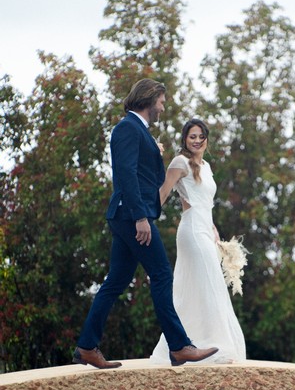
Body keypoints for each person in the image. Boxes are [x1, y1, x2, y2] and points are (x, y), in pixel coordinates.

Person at [73, 80, 218, 369]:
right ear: (149, 100)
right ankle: (179, 347)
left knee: (116, 281)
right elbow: (125, 175)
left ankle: (87, 346)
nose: (163, 107)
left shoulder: (138, 130)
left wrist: (153, 148)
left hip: (128, 215)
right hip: (131, 216)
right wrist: (141, 217)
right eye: (161, 101)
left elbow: (140, 170)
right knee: (162, 275)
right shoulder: (127, 128)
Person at [150, 118, 246, 365]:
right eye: (191, 136)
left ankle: (193, 343)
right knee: (211, 281)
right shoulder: (179, 162)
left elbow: (206, 203)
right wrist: (144, 219)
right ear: (185, 139)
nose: (196, 141)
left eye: (200, 136)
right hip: (191, 231)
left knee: (197, 288)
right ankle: (216, 346)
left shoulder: (207, 166)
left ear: (206, 140)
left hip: (205, 229)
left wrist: (213, 229)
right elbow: (163, 192)